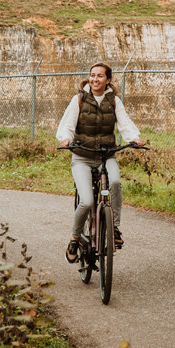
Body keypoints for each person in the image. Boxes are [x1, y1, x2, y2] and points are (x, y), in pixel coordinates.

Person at [56, 62, 144, 263]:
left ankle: (114, 228)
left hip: (106, 155)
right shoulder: (78, 99)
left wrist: (134, 138)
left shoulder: (114, 101)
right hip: (82, 156)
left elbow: (125, 123)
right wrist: (65, 138)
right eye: (92, 75)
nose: (95, 79)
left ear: (108, 79)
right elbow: (67, 125)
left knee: (114, 183)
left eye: (100, 76)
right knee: (86, 201)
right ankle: (74, 238)